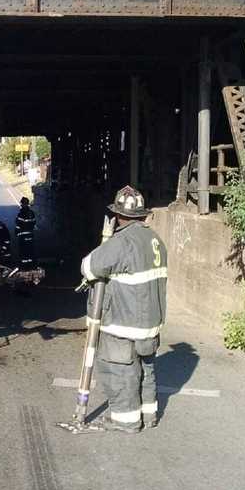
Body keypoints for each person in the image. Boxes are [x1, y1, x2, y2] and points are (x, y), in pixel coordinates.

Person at [79, 185, 168, 434]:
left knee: (119, 370)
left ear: (119, 216)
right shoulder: (155, 240)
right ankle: (149, 414)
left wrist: (104, 245)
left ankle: (126, 420)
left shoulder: (122, 242)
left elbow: (89, 267)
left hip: (123, 322)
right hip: (151, 323)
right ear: (142, 215)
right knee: (146, 368)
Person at [14, 197, 37, 269]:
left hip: (23, 236)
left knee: (23, 251)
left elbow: (18, 225)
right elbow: (34, 223)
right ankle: (31, 264)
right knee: (30, 250)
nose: (21, 205)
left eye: (21, 203)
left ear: (23, 204)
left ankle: (24, 266)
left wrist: (16, 232)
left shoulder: (21, 214)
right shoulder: (32, 213)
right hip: (30, 235)